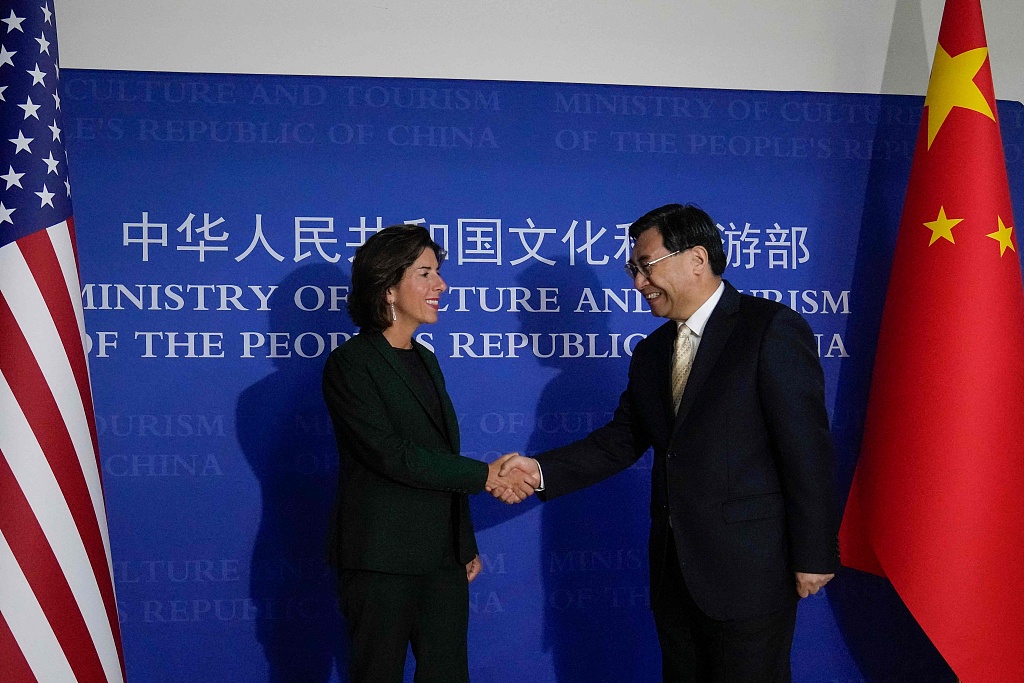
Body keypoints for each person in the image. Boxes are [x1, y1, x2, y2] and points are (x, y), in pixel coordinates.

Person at [498, 204, 840, 682]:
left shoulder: (769, 330)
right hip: (674, 574)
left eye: (646, 266)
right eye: (632, 270)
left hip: (750, 573)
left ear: (697, 259)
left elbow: (806, 450)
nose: (638, 283)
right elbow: (621, 440)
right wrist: (537, 471)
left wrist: (815, 553)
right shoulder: (653, 352)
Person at [322, 224, 532, 683]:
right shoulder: (351, 364)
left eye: (438, 272)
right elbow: (392, 455)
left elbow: (438, 454)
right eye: (426, 273)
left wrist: (464, 541)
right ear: (388, 286)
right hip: (381, 557)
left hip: (442, 559)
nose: (441, 285)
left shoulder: (425, 358)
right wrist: (487, 475)